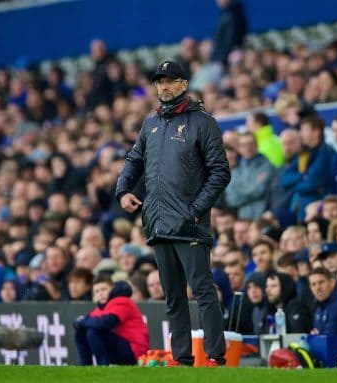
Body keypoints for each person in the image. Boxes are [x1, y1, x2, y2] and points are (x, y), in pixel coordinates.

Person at [116, 60, 231, 366]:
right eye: (159, 82)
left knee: (204, 292)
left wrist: (195, 210)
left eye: (170, 81)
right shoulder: (150, 123)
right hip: (157, 222)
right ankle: (181, 359)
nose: (163, 87)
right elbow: (133, 159)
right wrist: (123, 190)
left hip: (189, 225)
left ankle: (217, 358)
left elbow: (220, 172)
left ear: (183, 85)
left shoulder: (203, 122)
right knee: (173, 297)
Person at [73, 276, 149, 366]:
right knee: (80, 333)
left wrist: (83, 321)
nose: (100, 294)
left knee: (93, 332)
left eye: (103, 289)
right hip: (121, 347)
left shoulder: (122, 301)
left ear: (112, 289)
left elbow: (107, 322)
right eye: (97, 291)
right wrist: (81, 322)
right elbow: (80, 323)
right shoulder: (100, 309)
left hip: (135, 349)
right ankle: (85, 367)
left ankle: (103, 366)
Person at [309, 267, 337, 335]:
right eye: (313, 284)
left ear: (332, 282)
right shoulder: (318, 306)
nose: (317, 288)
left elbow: (330, 337)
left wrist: (316, 337)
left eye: (321, 282)